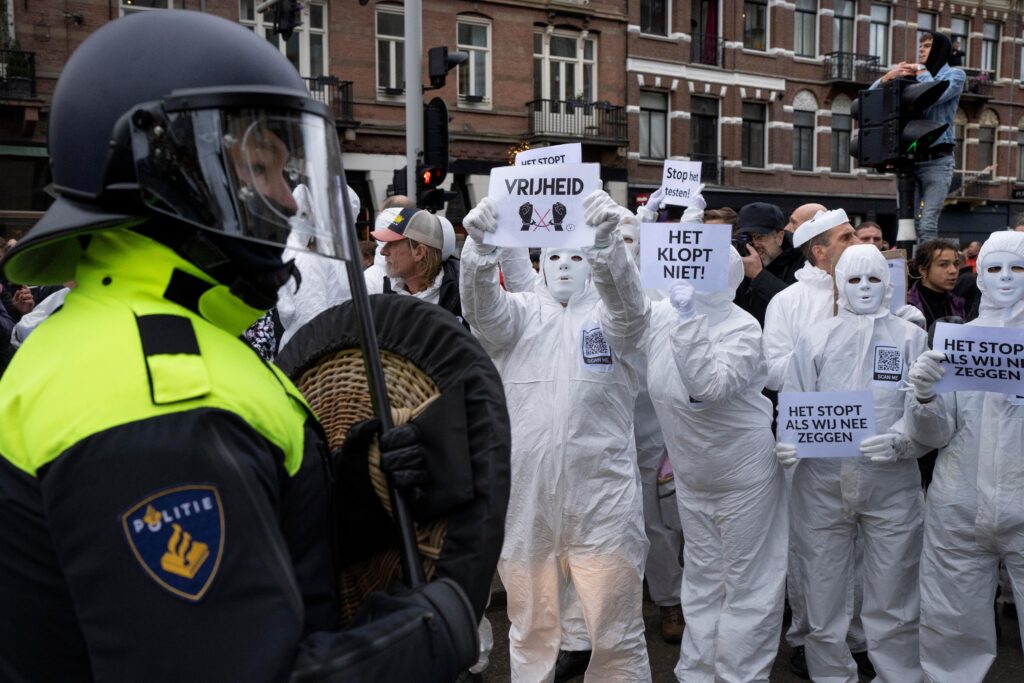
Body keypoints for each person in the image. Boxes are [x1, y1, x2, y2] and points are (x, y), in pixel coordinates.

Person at [0, 12, 483, 681]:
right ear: (167, 166)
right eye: (263, 167)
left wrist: (355, 498)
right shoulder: (154, 398)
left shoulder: (145, 338)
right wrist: (436, 627)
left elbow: (246, 559)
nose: (290, 201)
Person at [460, 191, 652, 681]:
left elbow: (630, 311)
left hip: (602, 501)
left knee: (615, 629)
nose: (565, 266)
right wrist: (479, 251)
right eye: (555, 257)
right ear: (540, 262)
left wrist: (609, 247)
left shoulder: (611, 323)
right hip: (528, 502)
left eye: (577, 256)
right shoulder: (520, 315)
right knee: (530, 624)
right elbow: (482, 313)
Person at [777, 244, 928, 683]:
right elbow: (795, 397)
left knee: (893, 594)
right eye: (855, 279)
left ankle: (898, 675)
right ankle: (829, 675)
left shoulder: (910, 338)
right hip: (821, 482)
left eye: (874, 279)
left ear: (888, 283)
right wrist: (787, 441)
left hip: (891, 483)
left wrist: (904, 441)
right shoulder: (816, 336)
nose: (864, 288)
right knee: (822, 592)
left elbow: (926, 411)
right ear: (839, 283)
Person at [646, 249, 787, 682]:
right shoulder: (664, 316)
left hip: (745, 476)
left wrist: (689, 320)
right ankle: (698, 670)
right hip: (694, 475)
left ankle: (740, 674)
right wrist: (614, 246)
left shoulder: (741, 327)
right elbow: (623, 307)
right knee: (704, 578)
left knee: (749, 583)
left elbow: (707, 386)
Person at [904, 230, 1024, 682]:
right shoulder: (957, 342)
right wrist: (924, 397)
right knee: (951, 622)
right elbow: (935, 435)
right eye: (995, 268)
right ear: (981, 275)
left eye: (1018, 268)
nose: (1007, 278)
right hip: (960, 503)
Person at [872, 32, 965, 245]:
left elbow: (933, 97)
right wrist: (888, 76)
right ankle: (909, 269)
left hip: (938, 161)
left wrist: (921, 70)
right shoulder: (912, 77)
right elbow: (868, 98)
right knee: (907, 222)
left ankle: (925, 273)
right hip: (910, 160)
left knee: (927, 223)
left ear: (940, 49)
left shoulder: (955, 75)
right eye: (920, 45)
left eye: (927, 45)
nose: (921, 49)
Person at [733, 202, 806, 328]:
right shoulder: (741, 259)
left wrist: (759, 275)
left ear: (779, 237)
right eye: (748, 238)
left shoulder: (804, 261)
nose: (754, 245)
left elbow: (798, 308)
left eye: (760, 237)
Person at [907, 238, 967, 331]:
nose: (953, 270)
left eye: (956, 264)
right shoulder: (908, 305)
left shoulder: (957, 303)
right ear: (923, 270)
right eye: (943, 264)